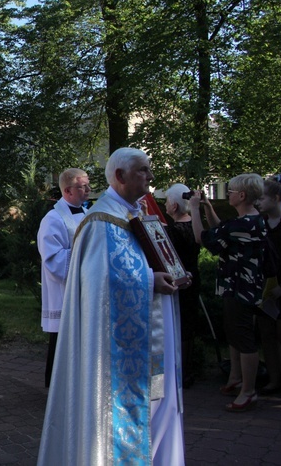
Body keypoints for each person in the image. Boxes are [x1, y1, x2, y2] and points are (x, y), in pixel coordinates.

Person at [37, 148, 185, 466]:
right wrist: (149, 281)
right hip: (116, 348)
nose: (150, 177)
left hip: (153, 330)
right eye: (143, 171)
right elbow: (96, 283)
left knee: (160, 406)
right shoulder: (99, 222)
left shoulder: (137, 214)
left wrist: (173, 273)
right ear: (119, 176)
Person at [190, 174, 266, 412]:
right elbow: (221, 229)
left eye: (230, 191)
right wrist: (208, 208)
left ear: (241, 196)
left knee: (244, 339)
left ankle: (249, 391)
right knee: (235, 334)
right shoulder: (248, 221)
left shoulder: (242, 225)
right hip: (240, 286)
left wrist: (194, 209)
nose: (228, 194)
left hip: (241, 288)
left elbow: (202, 238)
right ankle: (236, 378)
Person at [37, 168, 89, 388]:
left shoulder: (87, 213)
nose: (88, 190)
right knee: (60, 342)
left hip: (84, 286)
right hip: (64, 289)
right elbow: (53, 258)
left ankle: (76, 387)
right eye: (82, 186)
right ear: (67, 190)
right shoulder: (53, 218)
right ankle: (55, 388)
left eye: (88, 185)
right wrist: (87, 252)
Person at [256, 177, 281, 402]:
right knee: (267, 335)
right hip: (264, 290)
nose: (258, 202)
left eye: (262, 197)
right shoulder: (259, 224)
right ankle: (274, 380)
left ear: (276, 198)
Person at [164, 183, 202, 388]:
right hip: (194, 274)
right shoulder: (194, 224)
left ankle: (179, 370)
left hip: (179, 278)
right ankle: (187, 369)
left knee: (178, 324)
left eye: (168, 202)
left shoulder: (173, 230)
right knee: (188, 323)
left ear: (175, 207)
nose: (165, 205)